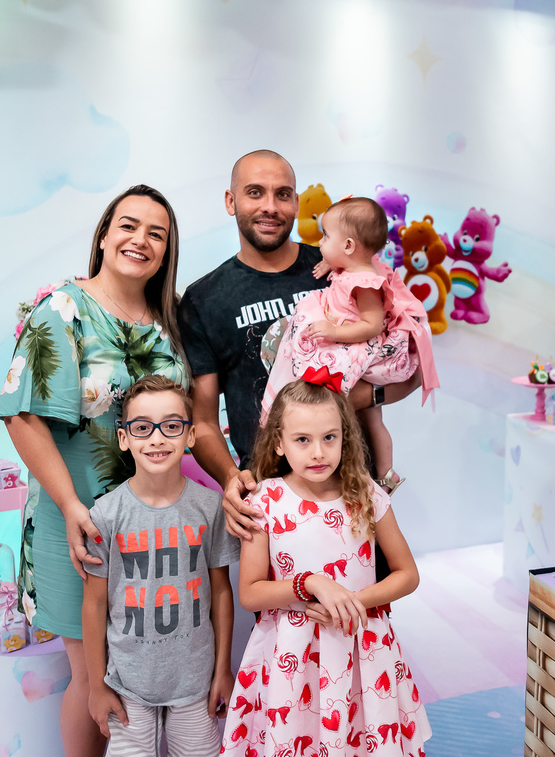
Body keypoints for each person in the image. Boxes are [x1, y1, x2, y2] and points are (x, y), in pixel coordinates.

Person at [0, 185, 189, 757]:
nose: (140, 240)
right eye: (128, 226)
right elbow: (23, 416)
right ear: (104, 235)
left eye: (156, 233)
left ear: (166, 251)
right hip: (78, 524)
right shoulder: (62, 310)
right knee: (94, 677)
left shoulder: (169, 321)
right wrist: (71, 506)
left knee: (145, 670)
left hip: (155, 526)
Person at [179, 150, 421, 540]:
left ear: (296, 201)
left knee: (374, 583)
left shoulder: (340, 269)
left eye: (283, 194)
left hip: (355, 493)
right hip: (271, 500)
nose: (270, 206)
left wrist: (366, 396)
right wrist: (230, 477)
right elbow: (204, 420)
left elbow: (407, 365)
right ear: (230, 201)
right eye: (255, 192)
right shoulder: (204, 299)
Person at [217, 375, 430, 757]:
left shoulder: (366, 493)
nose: (318, 452)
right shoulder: (264, 500)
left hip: (360, 648)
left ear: (345, 437)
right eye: (303, 439)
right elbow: (250, 592)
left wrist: (350, 603)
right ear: (278, 442)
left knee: (358, 746)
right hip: (291, 654)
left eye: (329, 437)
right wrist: (311, 584)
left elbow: (407, 574)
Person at [82, 376, 238, 757]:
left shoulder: (210, 507)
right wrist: (96, 686)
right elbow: (94, 604)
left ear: (190, 435)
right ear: (124, 438)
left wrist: (223, 669)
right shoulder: (105, 515)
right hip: (128, 685)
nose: (156, 439)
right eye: (142, 427)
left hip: (195, 682)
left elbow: (221, 592)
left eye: (171, 425)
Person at [260, 196, 438, 492]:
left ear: (348, 246)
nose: (320, 242)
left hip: (362, 343)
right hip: (352, 334)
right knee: (372, 418)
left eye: (326, 236)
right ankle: (384, 474)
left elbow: (372, 324)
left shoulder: (366, 282)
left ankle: (385, 476)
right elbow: (341, 270)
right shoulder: (351, 268)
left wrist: (333, 331)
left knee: (369, 418)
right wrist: (329, 262)